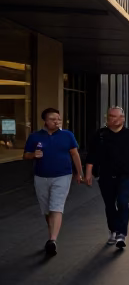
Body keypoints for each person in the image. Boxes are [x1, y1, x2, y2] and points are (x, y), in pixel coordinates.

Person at [22, 108, 84, 256]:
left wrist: (79, 173)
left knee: (56, 205)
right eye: (53, 119)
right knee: (47, 209)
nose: (56, 121)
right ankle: (52, 234)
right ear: (45, 121)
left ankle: (52, 240)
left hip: (63, 175)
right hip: (41, 176)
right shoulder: (35, 136)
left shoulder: (67, 135)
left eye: (59, 119)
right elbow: (25, 155)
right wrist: (33, 155)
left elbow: (75, 154)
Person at [84, 106, 129, 249]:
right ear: (107, 118)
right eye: (112, 116)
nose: (115, 119)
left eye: (119, 116)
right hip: (106, 175)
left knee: (123, 202)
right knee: (110, 205)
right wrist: (88, 173)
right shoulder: (100, 135)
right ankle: (113, 230)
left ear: (123, 118)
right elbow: (91, 155)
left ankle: (121, 234)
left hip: (127, 175)